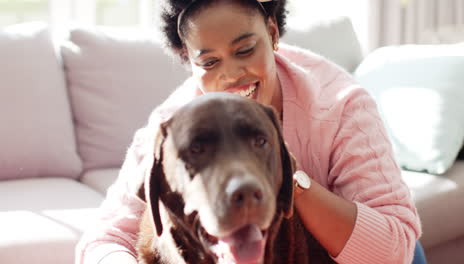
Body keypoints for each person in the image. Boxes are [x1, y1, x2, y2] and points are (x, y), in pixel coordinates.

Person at [76, 0, 424, 263]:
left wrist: (286, 176)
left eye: (245, 50)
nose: (231, 74)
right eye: (209, 62)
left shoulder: (341, 104)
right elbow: (102, 240)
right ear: (189, 61)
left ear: (272, 34)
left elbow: (392, 249)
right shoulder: (173, 127)